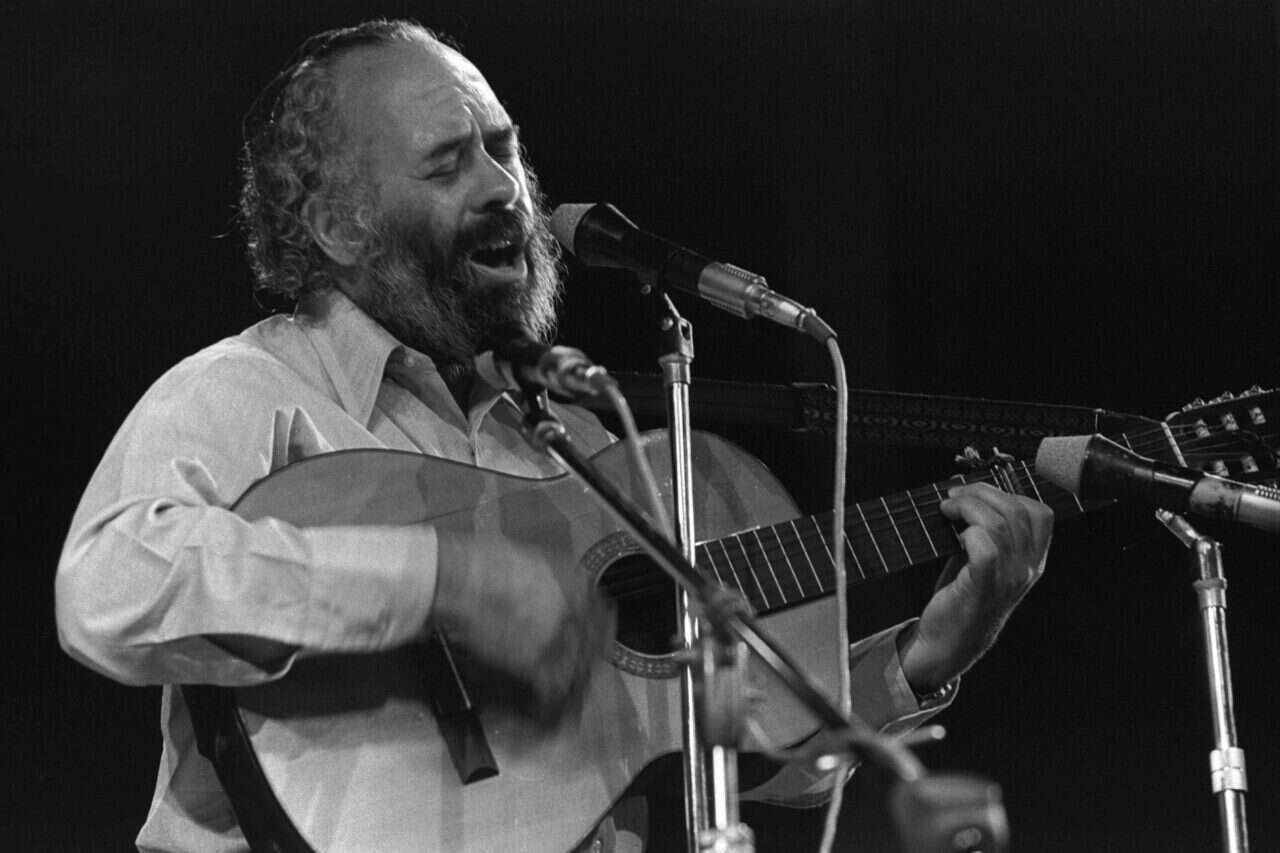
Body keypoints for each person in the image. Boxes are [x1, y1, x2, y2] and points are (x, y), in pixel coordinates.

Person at [55, 19, 1054, 853]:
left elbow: (752, 754)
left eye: (503, 148)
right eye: (449, 162)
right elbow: (107, 587)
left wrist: (926, 652)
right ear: (340, 226)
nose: (505, 187)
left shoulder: (575, 441)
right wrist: (435, 583)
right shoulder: (249, 390)